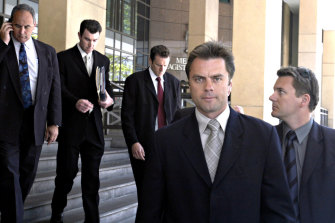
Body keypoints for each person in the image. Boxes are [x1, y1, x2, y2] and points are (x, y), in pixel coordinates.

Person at [136, 41, 295, 222]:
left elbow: (279, 211)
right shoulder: (164, 141)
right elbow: (150, 212)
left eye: (217, 78)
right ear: (189, 84)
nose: (208, 87)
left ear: (230, 85)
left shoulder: (263, 137)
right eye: (199, 79)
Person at [0, 4, 61, 223]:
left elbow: (54, 88)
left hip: (35, 123)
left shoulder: (47, 51)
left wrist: (54, 122)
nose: (22, 31)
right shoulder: (3, 47)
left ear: (35, 25)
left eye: (27, 26)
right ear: (9, 24)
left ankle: (9, 210)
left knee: (27, 174)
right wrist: (2, 44)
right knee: (10, 175)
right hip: (6, 125)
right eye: (17, 26)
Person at [50, 20, 114, 223]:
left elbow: (108, 93)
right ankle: (56, 214)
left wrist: (108, 101)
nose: (90, 44)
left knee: (92, 179)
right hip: (70, 128)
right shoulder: (63, 58)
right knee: (65, 176)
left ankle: (92, 219)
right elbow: (57, 89)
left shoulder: (103, 60)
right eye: (87, 39)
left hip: (94, 129)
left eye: (95, 40)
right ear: (79, 35)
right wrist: (74, 102)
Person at [269, 66, 335, 223]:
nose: (272, 97)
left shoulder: (332, 144)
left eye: (281, 91)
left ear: (304, 100)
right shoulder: (263, 139)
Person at [121, 45, 181, 199]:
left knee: (167, 193)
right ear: (150, 60)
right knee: (145, 192)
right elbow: (127, 116)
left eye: (165, 65)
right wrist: (133, 142)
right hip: (142, 146)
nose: (162, 69)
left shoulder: (174, 82)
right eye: (158, 65)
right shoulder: (134, 81)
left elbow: (177, 115)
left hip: (167, 146)